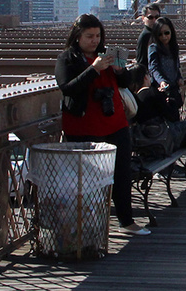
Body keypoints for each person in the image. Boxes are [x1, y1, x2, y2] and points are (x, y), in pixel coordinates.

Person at [55, 14, 144, 235]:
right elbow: (67, 88)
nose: (94, 40)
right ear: (77, 37)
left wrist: (120, 71)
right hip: (83, 127)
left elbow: (125, 84)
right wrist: (93, 69)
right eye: (89, 36)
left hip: (115, 123)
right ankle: (86, 227)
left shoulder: (107, 55)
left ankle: (127, 221)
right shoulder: (67, 58)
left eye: (97, 36)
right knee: (85, 181)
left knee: (122, 173)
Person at [144, 15, 185, 114]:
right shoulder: (153, 48)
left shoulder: (174, 47)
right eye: (160, 34)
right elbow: (153, 68)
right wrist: (161, 81)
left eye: (166, 33)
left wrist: (179, 78)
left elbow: (176, 67)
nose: (164, 36)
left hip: (173, 89)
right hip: (160, 91)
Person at [134, 3, 163, 71]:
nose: (154, 20)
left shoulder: (159, 33)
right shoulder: (145, 36)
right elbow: (141, 62)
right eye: (150, 17)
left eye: (157, 17)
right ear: (143, 18)